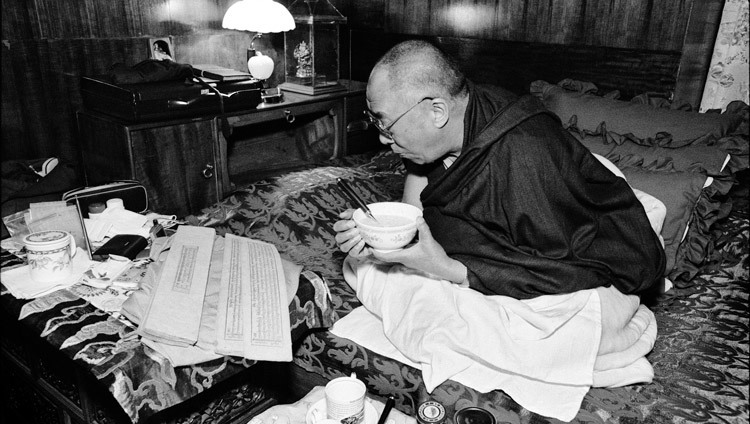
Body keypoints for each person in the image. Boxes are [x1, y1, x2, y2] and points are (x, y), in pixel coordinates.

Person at [333, 40, 666, 299]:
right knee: (374, 272)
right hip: (490, 241)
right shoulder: (434, 134)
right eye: (377, 121)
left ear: (437, 111)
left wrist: (446, 268)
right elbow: (419, 209)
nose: (381, 137)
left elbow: (558, 266)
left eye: (387, 124)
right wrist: (385, 234)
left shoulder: (525, 153)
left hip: (573, 219)